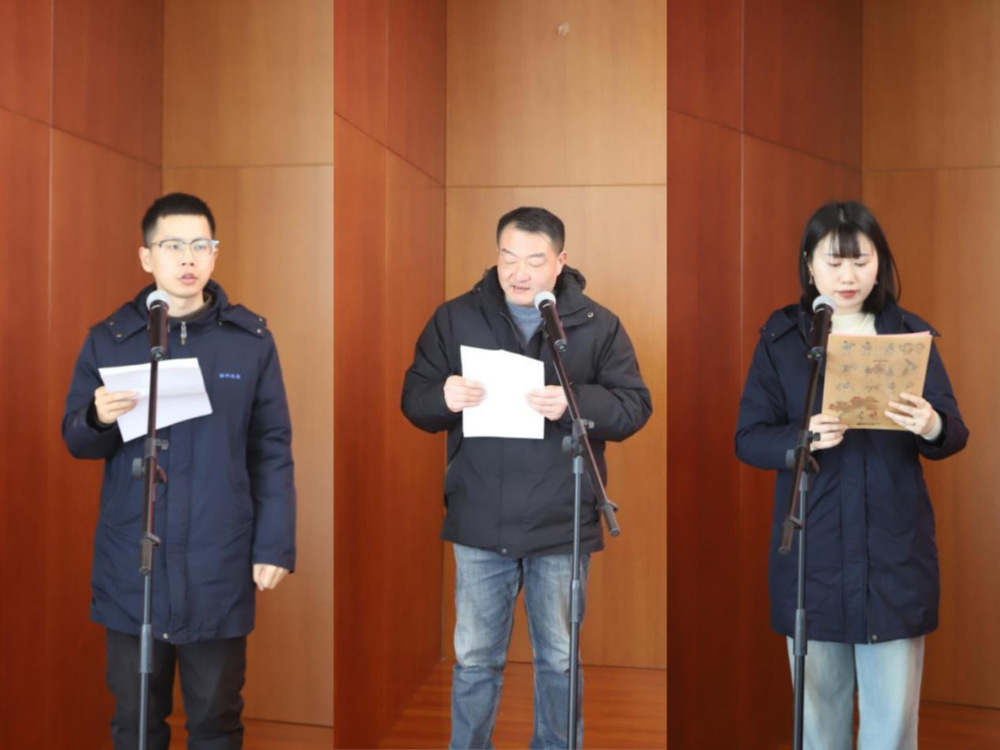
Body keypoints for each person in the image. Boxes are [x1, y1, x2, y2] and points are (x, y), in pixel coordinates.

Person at [401, 206, 652, 749]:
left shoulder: (596, 324)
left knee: (559, 660)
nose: (519, 273)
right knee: (475, 660)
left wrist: (574, 402)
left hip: (561, 521)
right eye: (508, 258)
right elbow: (414, 400)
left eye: (534, 261)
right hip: (479, 519)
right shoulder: (456, 317)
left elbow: (635, 407)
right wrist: (442, 396)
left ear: (560, 262)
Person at [62, 193, 296, 750]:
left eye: (200, 245)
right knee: (135, 722)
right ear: (147, 257)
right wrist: (97, 417)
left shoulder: (250, 342)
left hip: (219, 560)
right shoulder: (111, 339)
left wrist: (274, 545)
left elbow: (271, 448)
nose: (187, 257)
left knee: (216, 720)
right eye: (172, 245)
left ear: (214, 254)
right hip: (133, 564)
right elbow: (77, 440)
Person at [735, 201, 968, 749]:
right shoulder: (782, 339)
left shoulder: (909, 335)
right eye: (833, 262)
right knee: (819, 723)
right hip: (812, 553)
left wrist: (931, 423)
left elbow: (953, 432)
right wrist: (802, 437)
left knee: (892, 725)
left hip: (893, 553)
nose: (848, 276)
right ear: (808, 264)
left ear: (880, 263)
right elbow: (748, 437)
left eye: (860, 261)